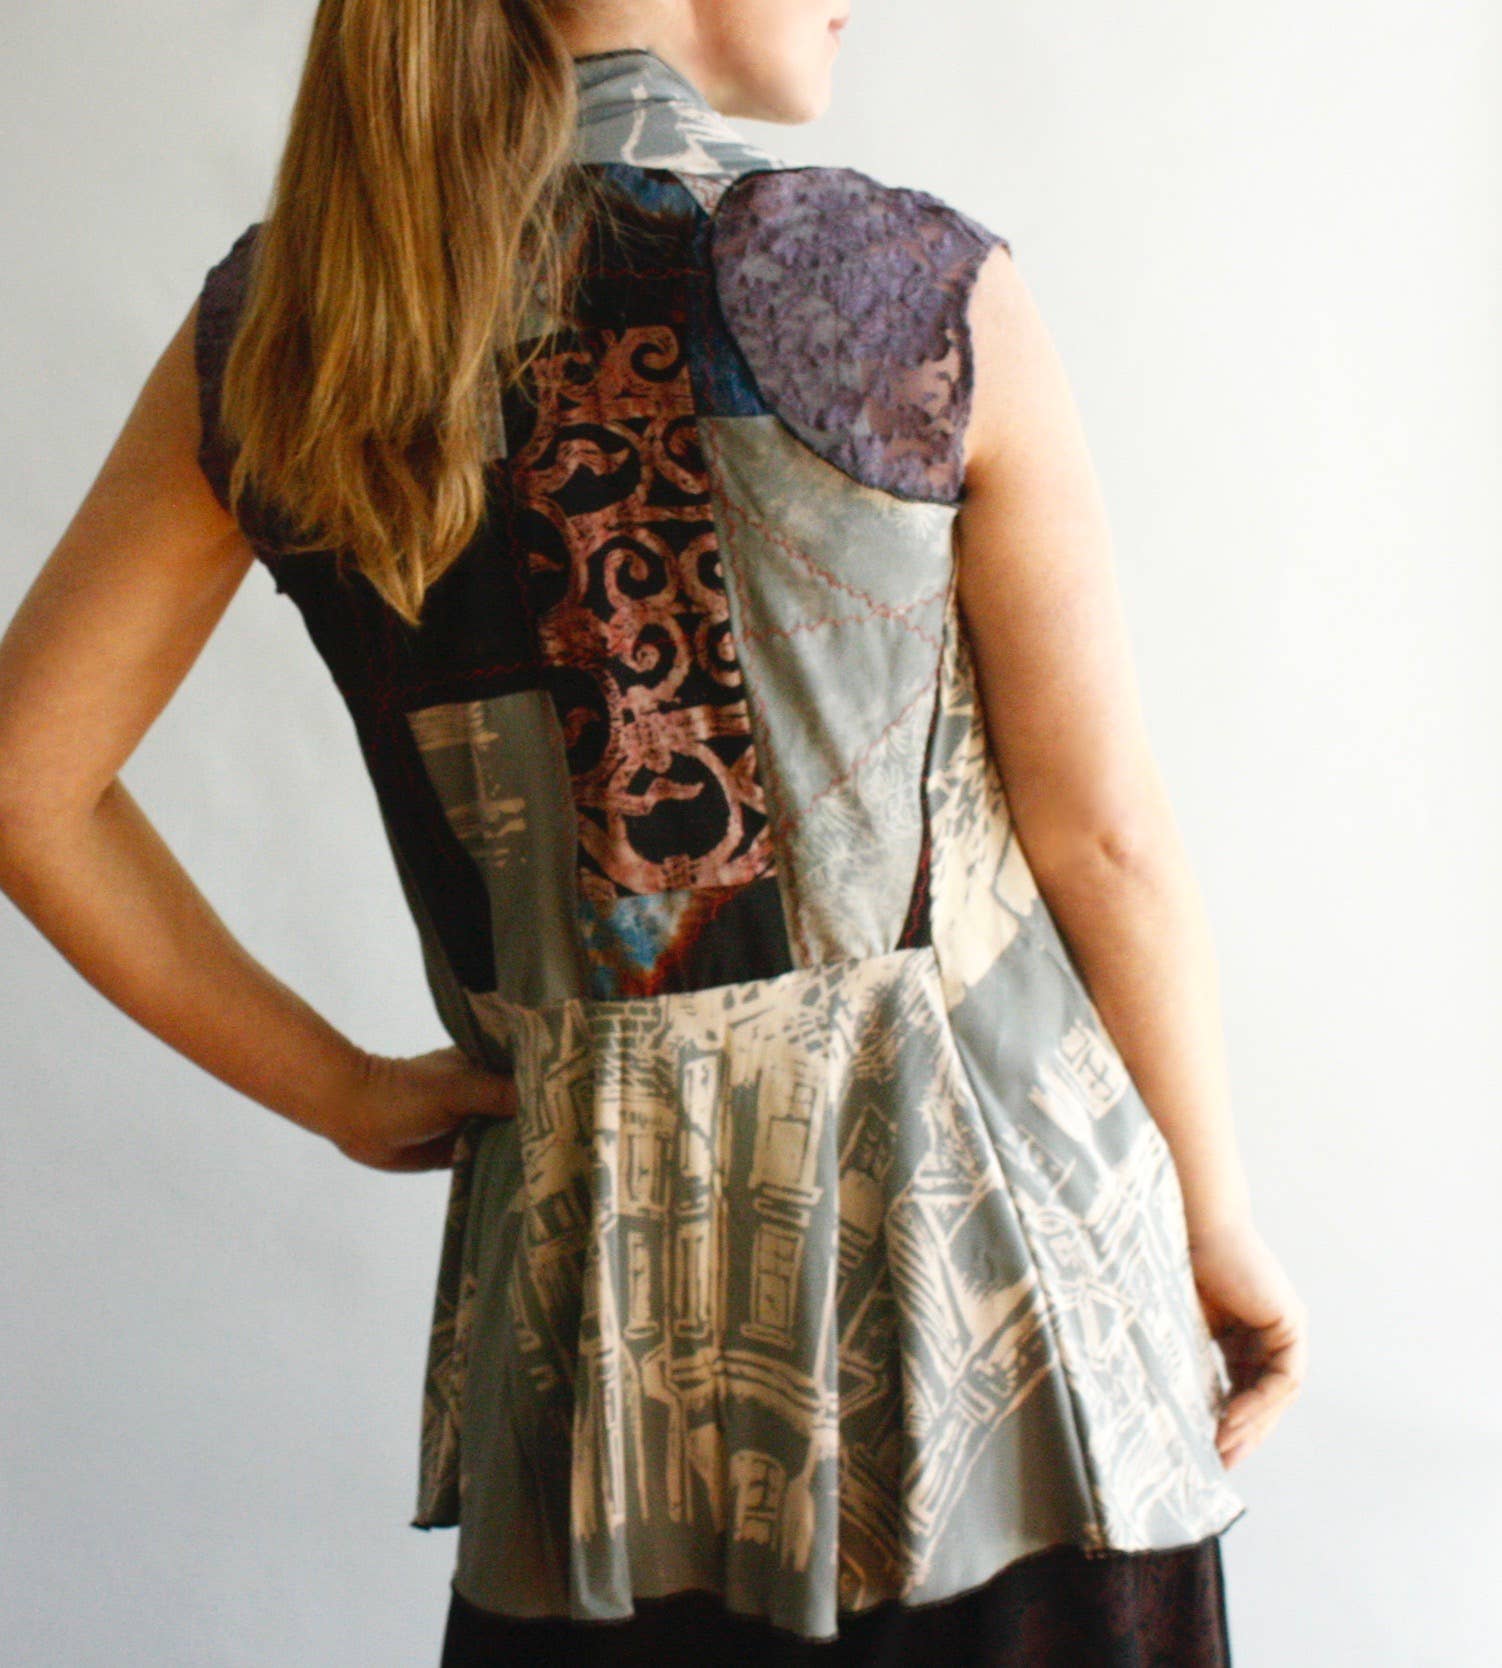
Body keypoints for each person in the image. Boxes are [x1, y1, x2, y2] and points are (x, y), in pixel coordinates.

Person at [0, 1, 1308, 1663]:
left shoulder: (308, 326)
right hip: (1002, 1332)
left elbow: (24, 785)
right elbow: (1102, 840)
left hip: (599, 1398)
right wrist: (1214, 1220)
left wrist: (343, 1090)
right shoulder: (905, 287)